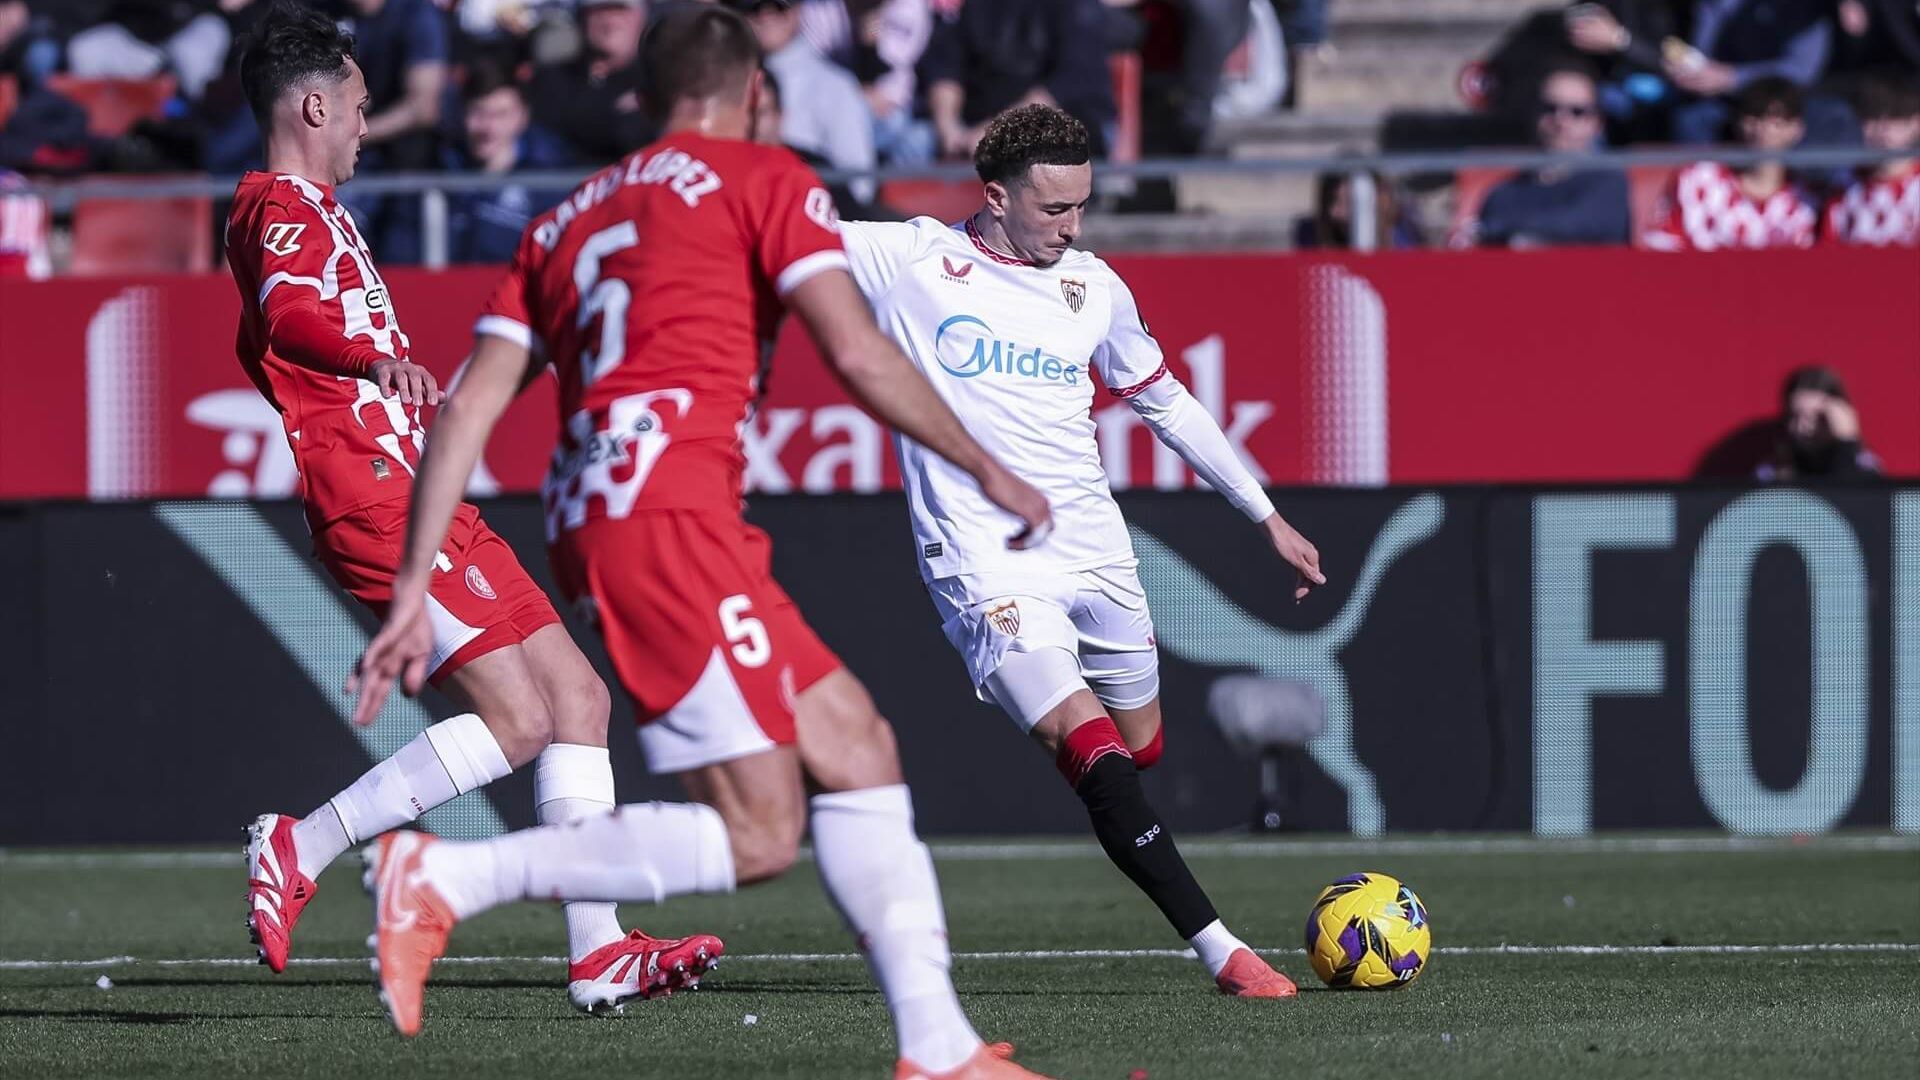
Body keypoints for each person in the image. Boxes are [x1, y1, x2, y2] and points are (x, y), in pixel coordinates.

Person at [350, 9, 1057, 1078]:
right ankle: (446, 880)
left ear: (643, 97)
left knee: (858, 749)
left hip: (615, 516)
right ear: (755, 93)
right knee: (763, 835)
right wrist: (990, 464)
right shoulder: (765, 177)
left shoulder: (565, 218)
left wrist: (413, 584)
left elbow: (462, 410)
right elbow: (857, 353)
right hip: (668, 520)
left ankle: (940, 1049)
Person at [222, 0, 720, 1016]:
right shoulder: (274, 206)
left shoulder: (318, 214)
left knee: (577, 702)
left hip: (421, 492)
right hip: (371, 499)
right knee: (520, 717)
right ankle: (302, 841)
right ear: (313, 105)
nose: (368, 126)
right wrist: (369, 361)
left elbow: (269, 332)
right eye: (360, 108)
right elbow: (286, 315)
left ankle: (600, 951)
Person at [833, 103, 1326, 998]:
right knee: (1086, 743)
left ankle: (1120, 806)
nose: (1074, 226)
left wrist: (1265, 517)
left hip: (1094, 553)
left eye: (1084, 206)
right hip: (982, 560)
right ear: (994, 197)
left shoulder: (1093, 287)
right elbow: (772, 235)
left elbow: (1165, 401)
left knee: (1135, 750)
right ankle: (1223, 951)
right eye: (1055, 209)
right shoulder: (909, 259)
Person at [920, 0, 1116, 160]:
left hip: (1061, 129)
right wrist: (947, 126)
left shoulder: (1076, 6)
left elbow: (1072, 80)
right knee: (914, 142)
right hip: (973, 131)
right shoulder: (974, 7)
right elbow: (945, 68)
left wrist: (995, 131)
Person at [1463, 64, 1631, 248]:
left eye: (1577, 112)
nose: (1561, 120)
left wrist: (1508, 233)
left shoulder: (1610, 182)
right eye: (1550, 108)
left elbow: (1577, 230)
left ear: (1597, 124)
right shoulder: (1502, 193)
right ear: (1536, 116)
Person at [1643, 76, 1819, 250]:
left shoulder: (1808, 199)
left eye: (1778, 122)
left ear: (1797, 129)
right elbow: (1661, 243)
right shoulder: (1697, 178)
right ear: (1739, 122)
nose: (1763, 130)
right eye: (1755, 117)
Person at [726, 0, 876, 196]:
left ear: (799, 9)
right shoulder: (721, 82)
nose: (765, 15)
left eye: (780, 6)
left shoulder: (834, 85)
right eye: (752, 7)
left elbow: (859, 185)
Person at [441, 60, 574, 265]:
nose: (488, 128)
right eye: (478, 112)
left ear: (522, 116)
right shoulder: (439, 167)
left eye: (501, 115)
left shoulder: (548, 181)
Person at [528, 0, 653, 164]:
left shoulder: (656, 79)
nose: (609, 22)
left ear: (641, 17)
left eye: (619, 10)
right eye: (599, 11)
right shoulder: (552, 78)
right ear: (581, 19)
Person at [1823, 75, 1920, 246]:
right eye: (1873, 117)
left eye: (1895, 117)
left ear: (1916, 123)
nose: (1882, 129)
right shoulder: (1844, 186)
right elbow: (1828, 253)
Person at [1757, 365, 1883, 481]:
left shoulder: (1866, 468)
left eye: (1817, 418)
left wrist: (1847, 444)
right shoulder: (1771, 473)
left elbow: (1855, 498)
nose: (1803, 427)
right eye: (1794, 417)